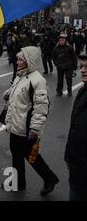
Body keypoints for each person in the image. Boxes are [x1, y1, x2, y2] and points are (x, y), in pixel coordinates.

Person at [3, 46, 59, 194]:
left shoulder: (38, 80)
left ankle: (50, 178)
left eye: (20, 59)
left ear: (29, 61)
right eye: (17, 59)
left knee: (31, 156)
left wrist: (34, 129)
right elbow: (19, 95)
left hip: (27, 127)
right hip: (15, 124)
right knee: (16, 155)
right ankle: (17, 182)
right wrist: (9, 94)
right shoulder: (20, 75)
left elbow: (41, 107)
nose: (17, 62)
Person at [64, 53, 87, 201]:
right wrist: (68, 156)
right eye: (82, 67)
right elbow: (74, 128)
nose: (83, 70)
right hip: (77, 167)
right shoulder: (82, 91)